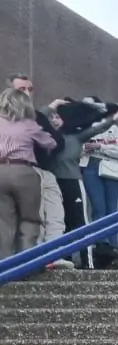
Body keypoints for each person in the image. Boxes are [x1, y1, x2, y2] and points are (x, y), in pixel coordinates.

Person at [0, 87, 55, 259]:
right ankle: (25, 262)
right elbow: (50, 143)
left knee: (4, 222)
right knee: (29, 218)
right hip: (23, 171)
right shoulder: (28, 124)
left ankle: (4, 265)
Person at [78, 104, 118, 258]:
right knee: (98, 207)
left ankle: (112, 244)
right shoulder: (82, 127)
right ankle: (101, 244)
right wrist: (85, 148)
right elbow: (75, 149)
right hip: (90, 166)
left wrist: (100, 146)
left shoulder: (113, 129)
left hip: (111, 167)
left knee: (112, 207)